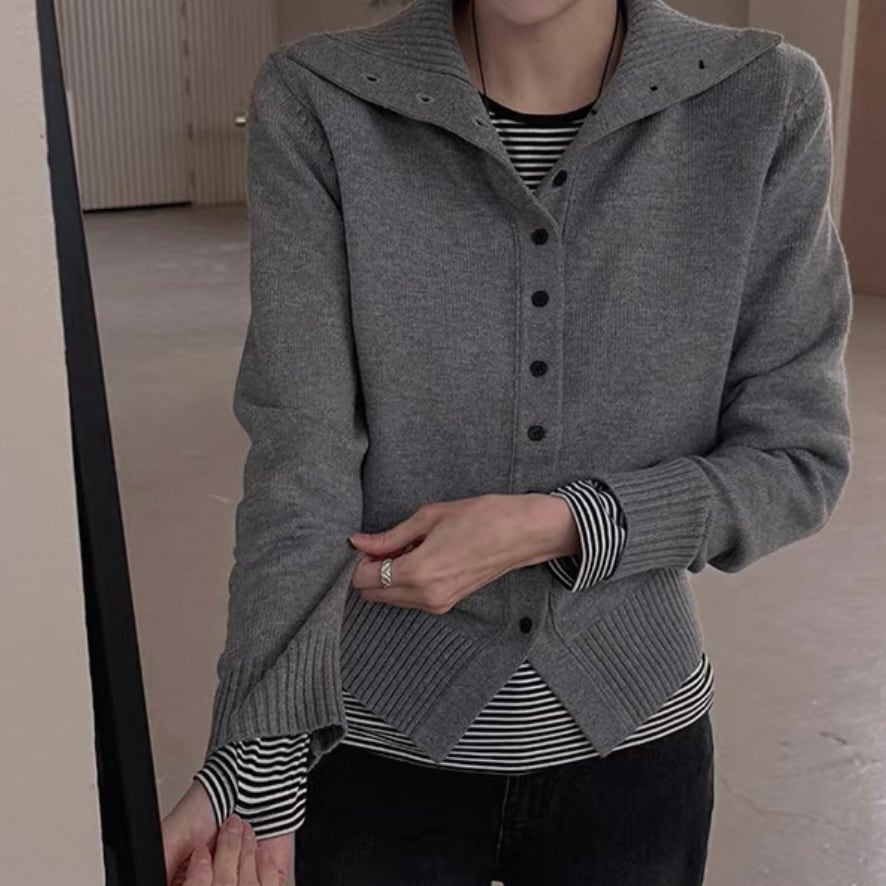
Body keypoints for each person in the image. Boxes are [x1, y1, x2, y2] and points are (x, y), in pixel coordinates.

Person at [162, 0, 853, 883]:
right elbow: (300, 459)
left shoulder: (762, 101)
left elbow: (796, 457)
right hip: (371, 753)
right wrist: (256, 757)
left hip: (635, 747)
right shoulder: (323, 100)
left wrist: (560, 525)